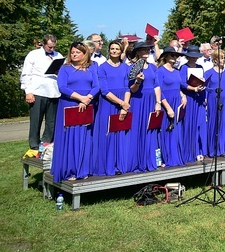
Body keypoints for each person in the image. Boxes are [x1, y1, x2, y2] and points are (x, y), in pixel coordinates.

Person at [52, 42, 99, 182]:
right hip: (70, 105)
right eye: (72, 52)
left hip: (87, 106)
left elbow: (96, 86)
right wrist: (80, 98)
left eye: (77, 52)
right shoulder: (65, 68)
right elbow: (62, 87)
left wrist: (88, 98)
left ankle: (83, 169)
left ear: (85, 54)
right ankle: (69, 170)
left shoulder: (91, 68)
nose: (74, 54)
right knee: (70, 138)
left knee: (85, 137)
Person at [92, 39, 131, 176]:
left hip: (123, 103)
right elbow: (104, 90)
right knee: (107, 134)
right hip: (108, 104)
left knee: (120, 134)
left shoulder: (126, 67)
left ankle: (120, 164)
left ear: (121, 51)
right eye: (112, 48)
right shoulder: (102, 67)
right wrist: (121, 103)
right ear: (109, 50)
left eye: (117, 49)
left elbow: (127, 87)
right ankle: (107, 166)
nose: (114, 51)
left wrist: (125, 106)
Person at [20, 34, 63, 155]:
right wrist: (28, 91)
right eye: (50, 47)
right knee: (36, 120)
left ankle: (46, 143)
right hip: (38, 91)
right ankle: (34, 145)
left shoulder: (58, 55)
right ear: (43, 44)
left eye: (54, 47)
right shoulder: (33, 55)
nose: (52, 49)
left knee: (51, 121)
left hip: (54, 91)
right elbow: (26, 74)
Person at [126, 41, 160, 172]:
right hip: (138, 102)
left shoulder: (153, 67)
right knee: (137, 130)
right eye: (144, 49)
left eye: (148, 49)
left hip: (151, 102)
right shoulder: (132, 67)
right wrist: (138, 81)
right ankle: (136, 161)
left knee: (150, 131)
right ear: (138, 52)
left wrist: (158, 103)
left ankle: (149, 160)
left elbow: (157, 85)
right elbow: (132, 90)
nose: (147, 51)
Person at [156, 46, 186, 167]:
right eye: (173, 55)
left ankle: (176, 156)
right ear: (166, 56)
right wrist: (168, 108)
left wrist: (183, 95)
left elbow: (178, 87)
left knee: (176, 131)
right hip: (166, 103)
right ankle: (166, 158)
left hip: (177, 102)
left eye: (176, 56)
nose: (175, 57)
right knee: (166, 130)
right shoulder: (160, 71)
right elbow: (159, 90)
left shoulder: (177, 71)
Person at [204, 49, 225, 157]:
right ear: (215, 60)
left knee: (224, 123)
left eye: (223, 58)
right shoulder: (208, 72)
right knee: (214, 123)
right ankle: (213, 149)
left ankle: (224, 149)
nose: (223, 60)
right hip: (213, 100)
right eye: (220, 58)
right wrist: (206, 101)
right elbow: (206, 88)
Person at [178, 45, 206, 163]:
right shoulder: (183, 68)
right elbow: (182, 83)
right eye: (192, 57)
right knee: (190, 125)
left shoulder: (200, 67)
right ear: (187, 57)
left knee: (200, 125)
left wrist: (203, 83)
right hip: (189, 98)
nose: (194, 59)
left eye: (196, 57)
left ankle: (199, 150)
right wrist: (193, 89)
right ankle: (189, 151)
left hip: (199, 99)